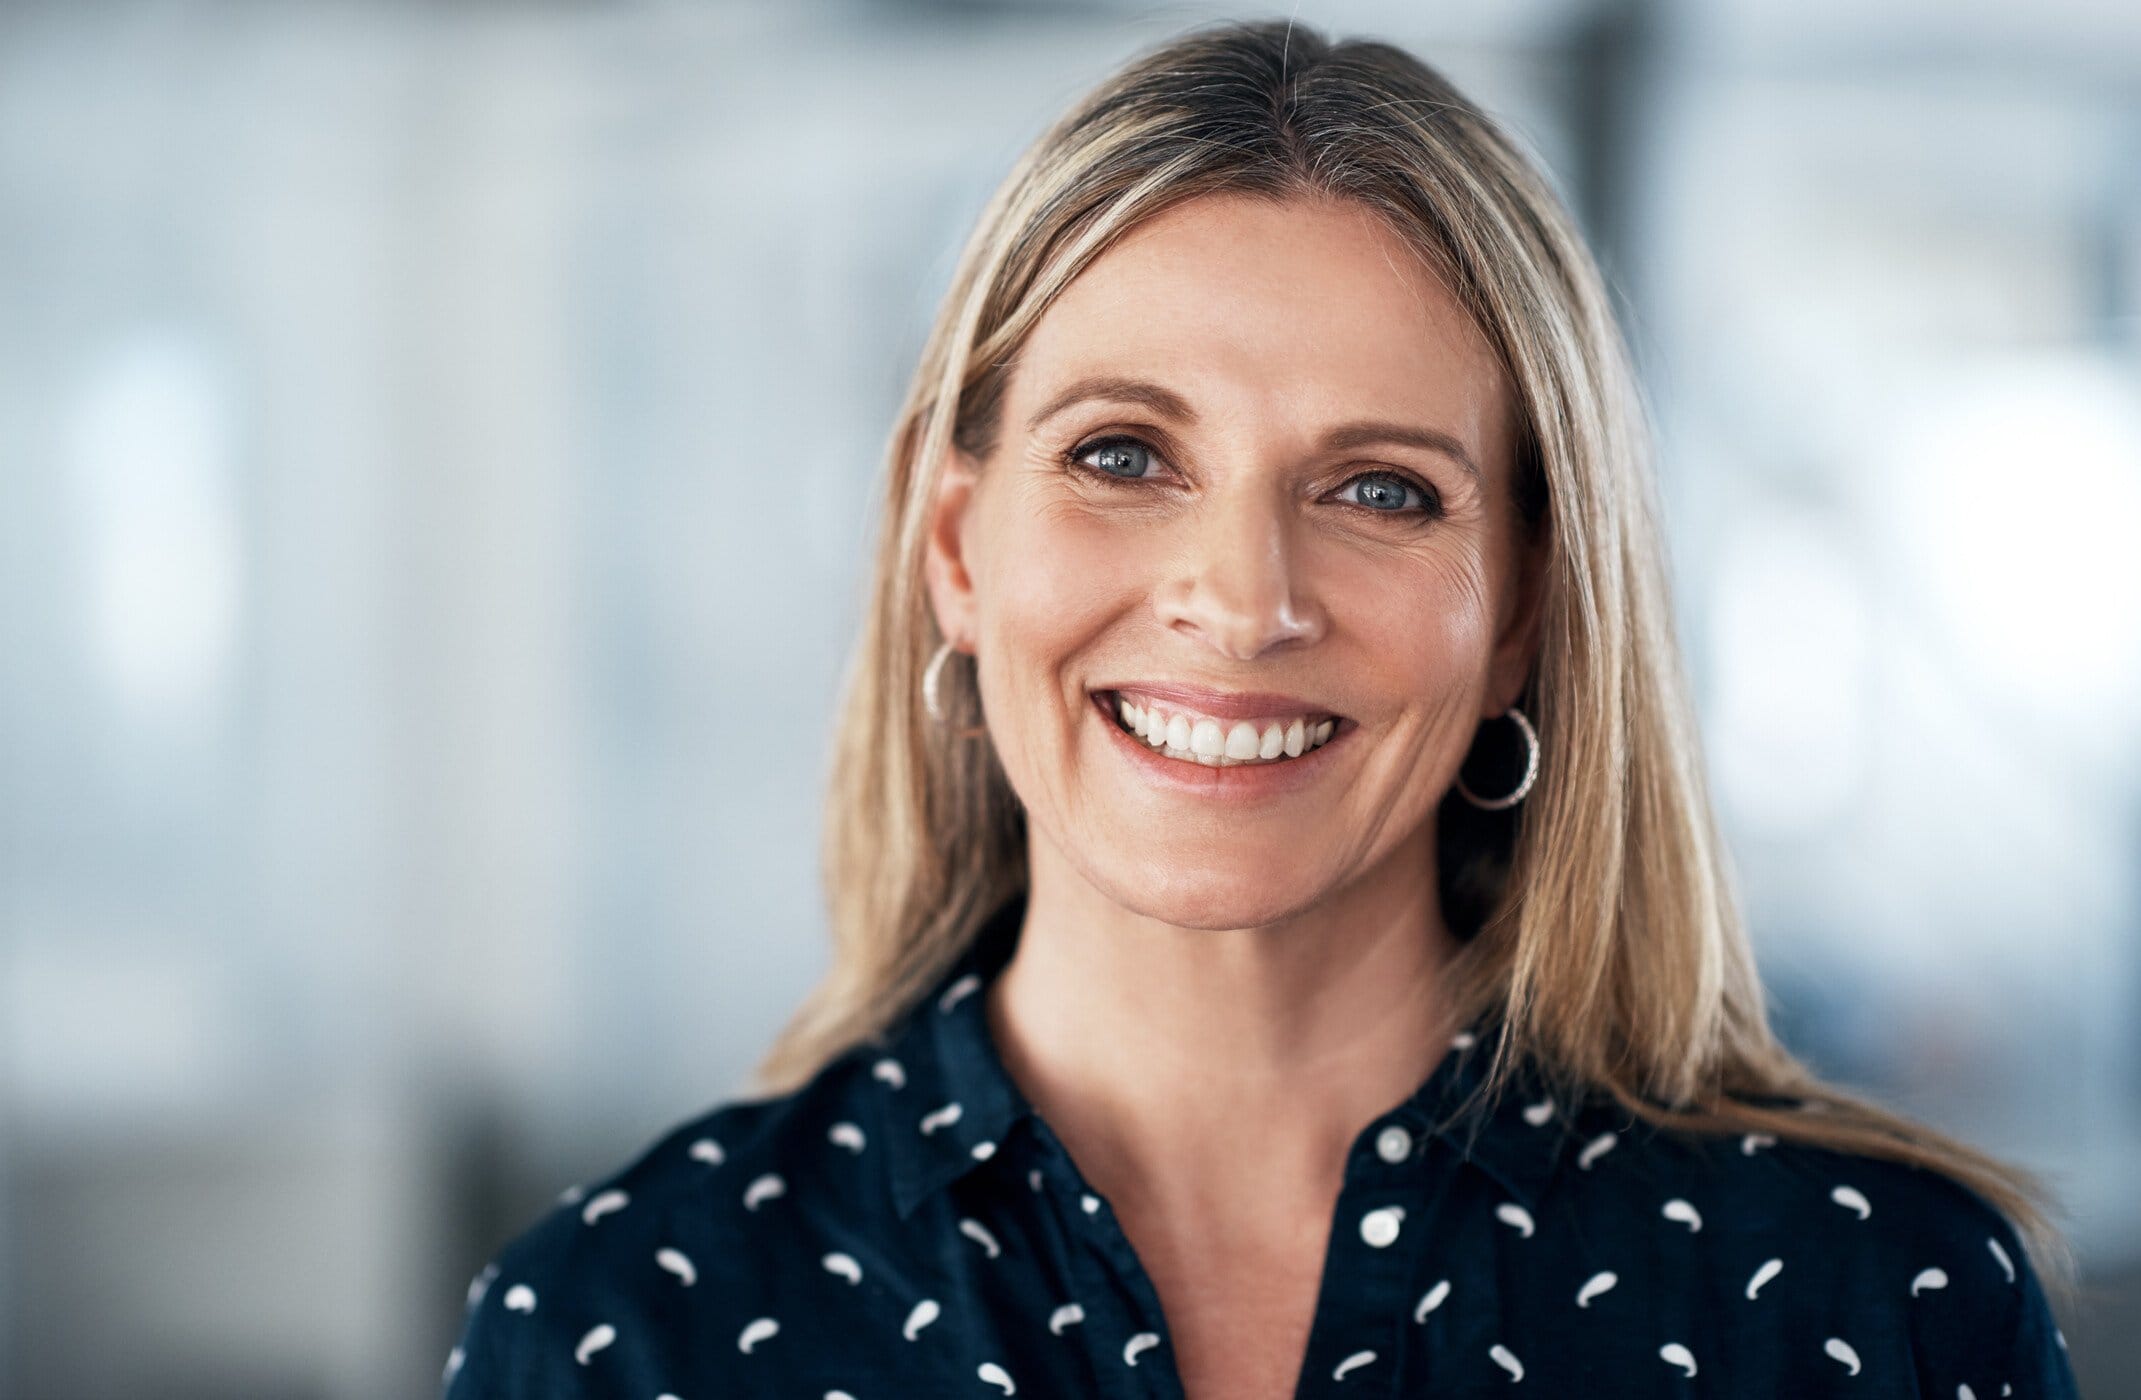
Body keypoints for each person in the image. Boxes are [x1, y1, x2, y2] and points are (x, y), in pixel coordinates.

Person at [441, 19, 2082, 1399]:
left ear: (1522, 610)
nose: (1242, 601)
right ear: (953, 547)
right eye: (1121, 456)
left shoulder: (1871, 1307)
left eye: (1378, 489)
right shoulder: (619, 1330)